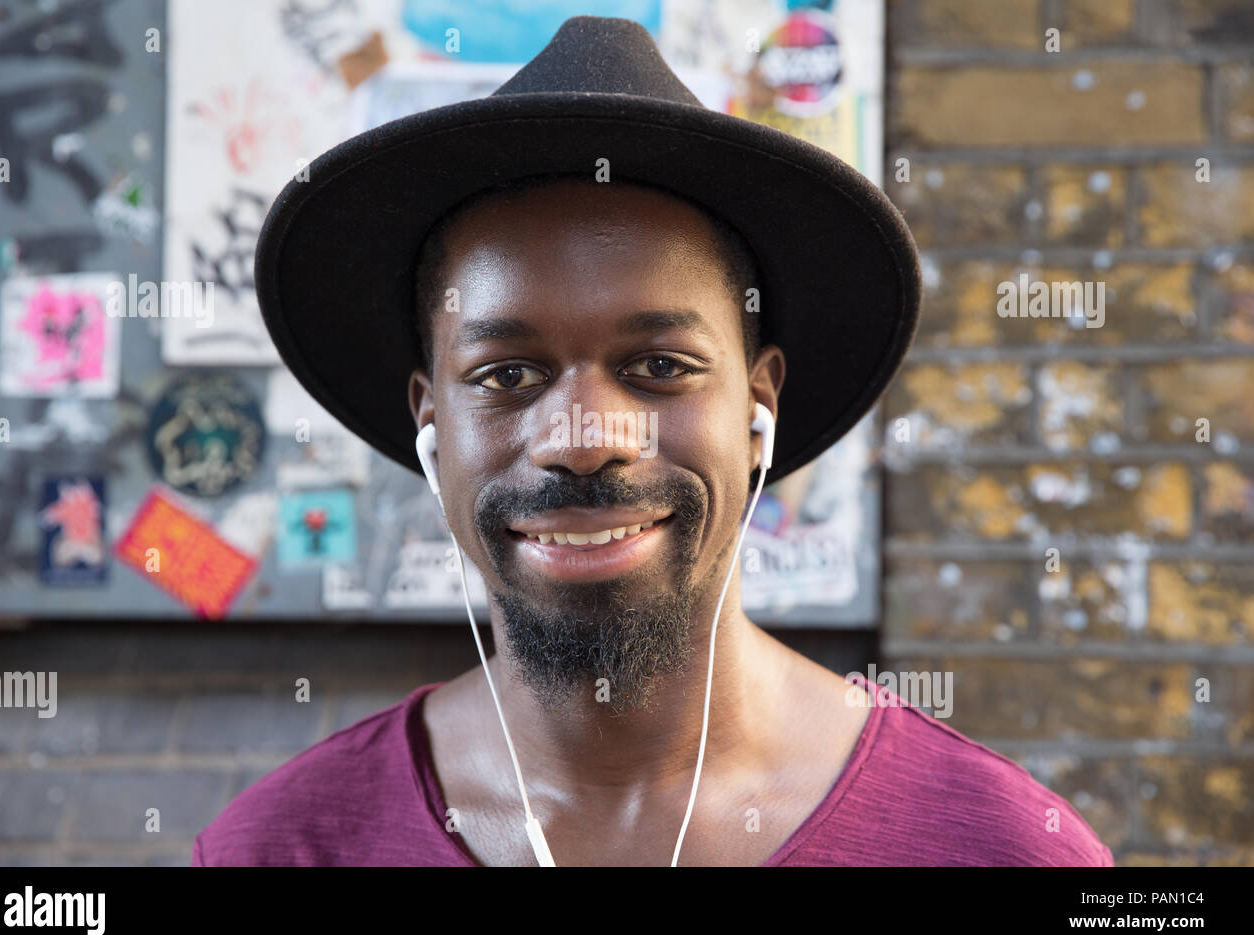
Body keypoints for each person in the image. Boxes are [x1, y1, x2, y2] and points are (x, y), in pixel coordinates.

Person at [193, 16, 1112, 867]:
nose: (585, 440)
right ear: (432, 423)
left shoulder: (997, 848)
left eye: (660, 367)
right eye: (507, 375)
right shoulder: (280, 850)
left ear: (758, 407)